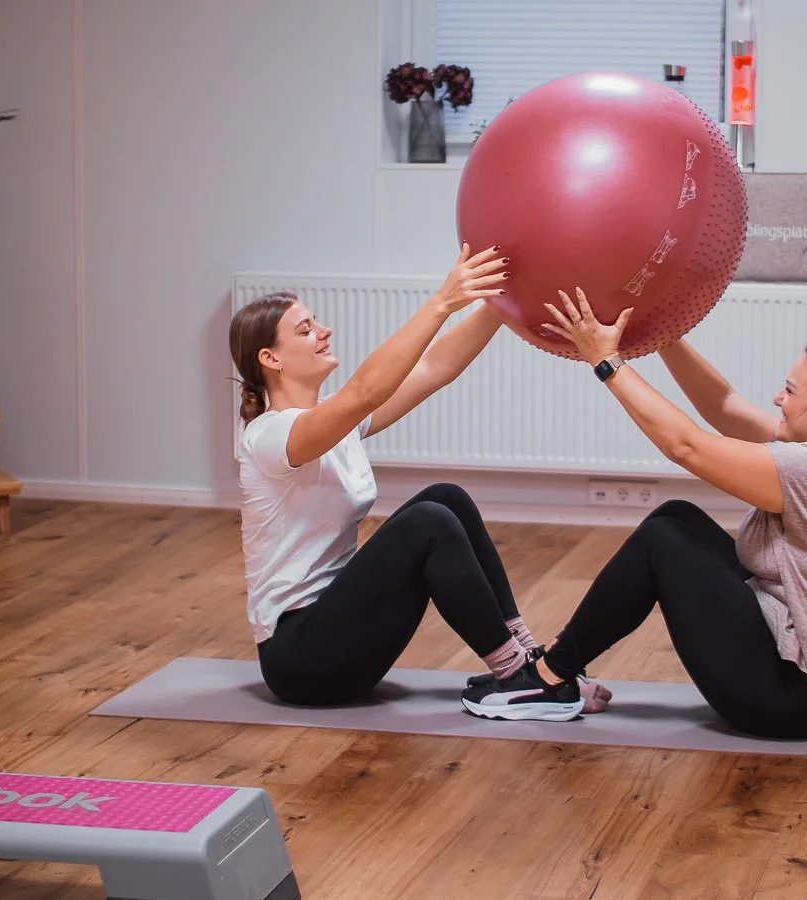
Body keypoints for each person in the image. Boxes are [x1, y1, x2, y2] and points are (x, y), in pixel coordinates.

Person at [461, 287, 807, 738]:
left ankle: (548, 677)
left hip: (791, 701)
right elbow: (724, 407)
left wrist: (607, 362)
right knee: (677, 519)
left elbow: (687, 447)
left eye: (789, 389)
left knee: (664, 542)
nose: (779, 399)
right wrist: (663, 334)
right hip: (795, 671)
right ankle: (560, 671)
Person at [232, 244, 592, 722]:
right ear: (270, 359)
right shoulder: (270, 436)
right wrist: (442, 301)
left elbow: (433, 368)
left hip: (343, 630)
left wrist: (503, 302)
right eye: (305, 329)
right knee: (428, 523)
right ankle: (514, 676)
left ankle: (528, 661)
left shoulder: (334, 423)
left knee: (446, 500)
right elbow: (364, 391)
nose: (324, 331)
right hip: (301, 659)